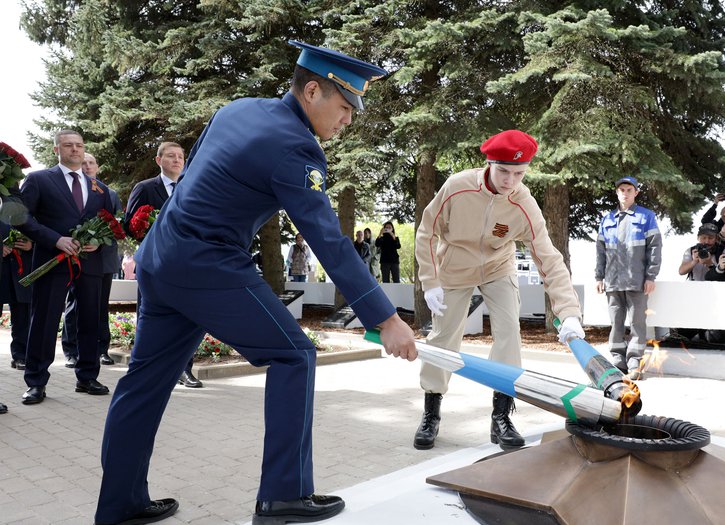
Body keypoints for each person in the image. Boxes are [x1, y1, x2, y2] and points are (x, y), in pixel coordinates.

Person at [94, 40, 417, 525]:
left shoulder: (238, 109)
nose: (348, 121)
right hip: (208, 264)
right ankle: (284, 497)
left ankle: (119, 504)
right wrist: (386, 318)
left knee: (144, 382)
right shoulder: (296, 147)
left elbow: (193, 178)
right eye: (346, 107)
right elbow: (327, 240)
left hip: (162, 257)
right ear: (313, 91)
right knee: (295, 354)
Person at [413, 129, 585, 451]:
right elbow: (426, 232)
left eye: (519, 173)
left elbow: (548, 257)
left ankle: (501, 415)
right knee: (444, 337)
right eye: (504, 171)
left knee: (509, 333)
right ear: (489, 163)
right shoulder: (457, 187)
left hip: (497, 267)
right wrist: (431, 281)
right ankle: (431, 412)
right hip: (454, 267)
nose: (510, 180)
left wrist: (569, 313)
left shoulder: (524, 204)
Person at [18, 130, 116, 405]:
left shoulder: (99, 188)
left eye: (79, 146)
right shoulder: (39, 180)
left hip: (90, 263)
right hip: (52, 261)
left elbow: (108, 221)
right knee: (45, 321)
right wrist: (55, 239)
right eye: (68, 145)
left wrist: (98, 243)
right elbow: (20, 217)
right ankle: (36, 382)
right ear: (56, 150)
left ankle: (87, 376)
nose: (75, 150)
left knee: (89, 320)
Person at [125, 141, 202, 388]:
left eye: (180, 156)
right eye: (171, 156)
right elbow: (131, 225)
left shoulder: (194, 188)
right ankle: (145, 370)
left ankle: (184, 370)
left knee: (187, 318)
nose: (177, 160)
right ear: (159, 161)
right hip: (154, 266)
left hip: (187, 267)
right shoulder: (145, 188)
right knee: (149, 319)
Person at [595, 176, 662, 380]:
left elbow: (655, 248)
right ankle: (617, 361)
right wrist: (599, 276)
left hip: (637, 281)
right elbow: (600, 251)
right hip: (613, 281)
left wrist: (650, 276)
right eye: (621, 189)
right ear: (617, 193)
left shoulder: (646, 217)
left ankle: (634, 362)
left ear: (636, 193)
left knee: (637, 322)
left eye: (629, 190)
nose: (625, 193)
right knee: (616, 322)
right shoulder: (607, 220)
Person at [62, 153, 122, 366]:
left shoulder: (109, 193)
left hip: (103, 260)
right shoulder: (69, 191)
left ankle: (101, 349)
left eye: (91, 163)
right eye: (84, 163)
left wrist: (100, 241)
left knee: (100, 306)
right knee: (73, 304)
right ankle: (71, 350)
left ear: (97, 167)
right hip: (73, 257)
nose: (87, 166)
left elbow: (117, 226)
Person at [1, 223, 32, 371]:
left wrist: (31, 244)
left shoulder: (26, 203)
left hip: (21, 269)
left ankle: (20, 355)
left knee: (22, 315)